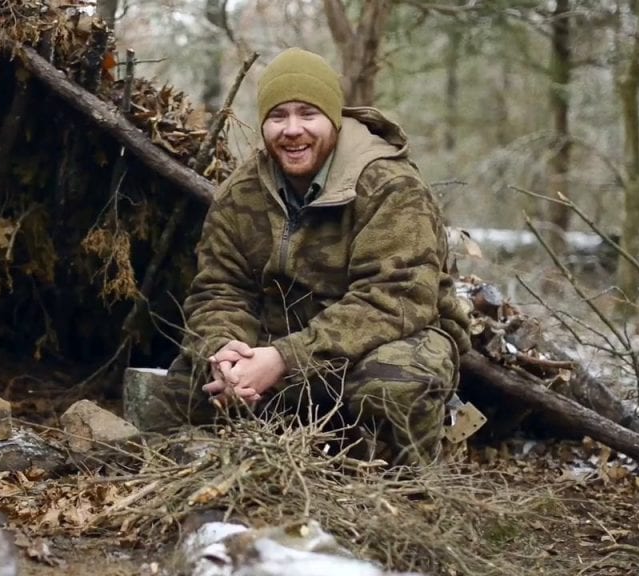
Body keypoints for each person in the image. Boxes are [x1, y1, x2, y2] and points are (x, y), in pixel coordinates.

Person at [156, 47, 472, 466]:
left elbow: (396, 299)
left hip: (388, 338)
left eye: (307, 114)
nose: (291, 130)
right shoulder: (241, 193)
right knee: (187, 389)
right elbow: (220, 290)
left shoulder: (390, 186)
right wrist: (227, 356)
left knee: (391, 386)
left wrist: (286, 359)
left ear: (333, 121)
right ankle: (268, 463)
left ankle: (409, 490)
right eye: (277, 116)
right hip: (282, 342)